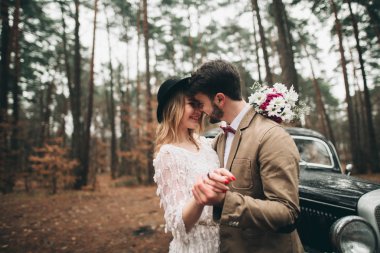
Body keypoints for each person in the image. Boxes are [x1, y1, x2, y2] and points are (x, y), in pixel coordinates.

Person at [189, 59, 304, 253]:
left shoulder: (271, 136)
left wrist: (224, 202)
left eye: (201, 104)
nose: (201, 111)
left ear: (219, 99)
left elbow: (287, 212)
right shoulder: (220, 139)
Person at [153, 77, 233, 253]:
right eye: (192, 104)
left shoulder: (205, 143)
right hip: (195, 246)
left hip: (223, 242)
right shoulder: (168, 154)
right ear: (173, 107)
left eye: (200, 105)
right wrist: (200, 198)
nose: (199, 111)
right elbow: (177, 225)